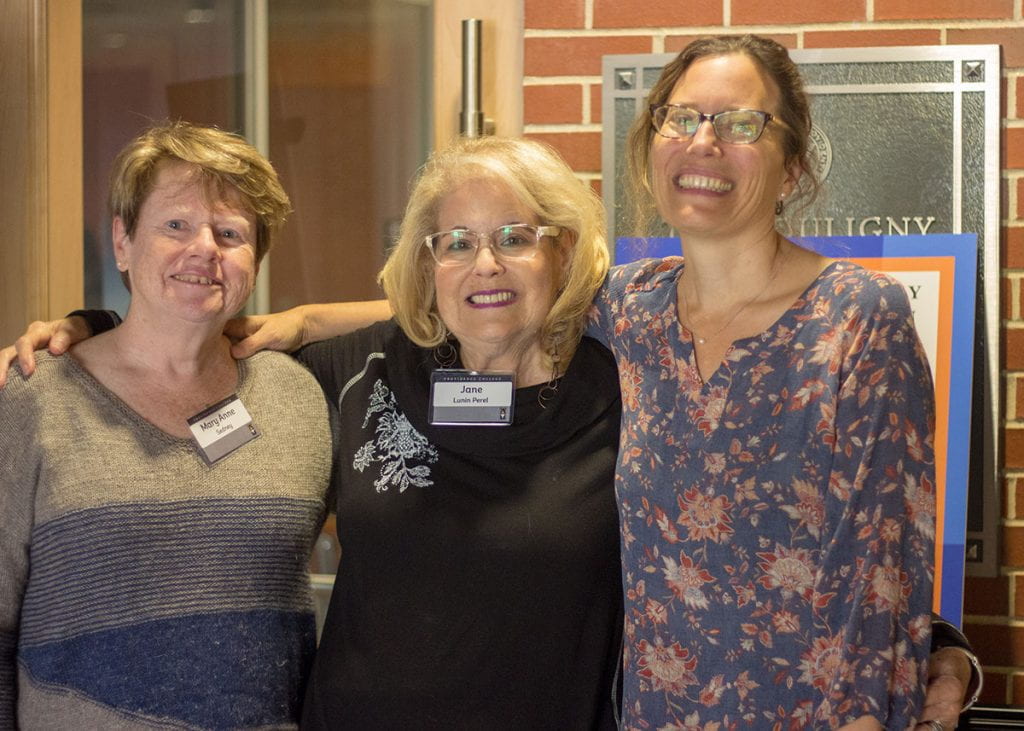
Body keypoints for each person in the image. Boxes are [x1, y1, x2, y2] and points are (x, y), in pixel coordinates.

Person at [1, 127, 980, 728]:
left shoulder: (630, 373)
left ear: (564, 251)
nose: (488, 262)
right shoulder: (351, 370)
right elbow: (181, 350)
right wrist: (84, 328)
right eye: (456, 239)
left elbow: (771, 503)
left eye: (517, 235)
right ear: (424, 261)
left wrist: (925, 634)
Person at [592, 34, 935, 728]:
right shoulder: (628, 308)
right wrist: (312, 318)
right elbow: (500, 300)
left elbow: (878, 580)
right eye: (681, 117)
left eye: (742, 124)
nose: (704, 143)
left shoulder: (859, 320)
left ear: (790, 171)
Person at [0, 122, 335, 729]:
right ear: (123, 243)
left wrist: (308, 319)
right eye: (175, 225)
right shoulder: (32, 400)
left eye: (230, 234)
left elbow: (441, 316)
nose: (203, 248)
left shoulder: (297, 397)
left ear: (253, 264)